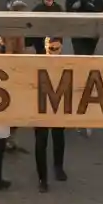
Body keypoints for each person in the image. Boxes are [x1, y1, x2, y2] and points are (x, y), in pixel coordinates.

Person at [33, 38, 67, 191]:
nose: (54, 52)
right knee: (41, 143)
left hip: (58, 107)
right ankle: (42, 179)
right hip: (40, 108)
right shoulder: (37, 63)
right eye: (51, 49)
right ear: (45, 47)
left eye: (57, 49)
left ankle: (58, 166)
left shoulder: (66, 63)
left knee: (58, 138)